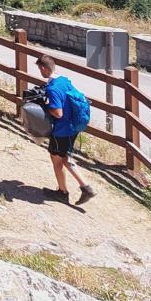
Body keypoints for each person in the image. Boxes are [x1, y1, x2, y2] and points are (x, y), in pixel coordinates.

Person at [37, 54, 97, 205]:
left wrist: (45, 106)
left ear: (43, 68)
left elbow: (58, 113)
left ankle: (64, 192)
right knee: (64, 157)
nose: (39, 71)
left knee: (56, 158)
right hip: (73, 126)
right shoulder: (64, 80)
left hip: (61, 130)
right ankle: (84, 188)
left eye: (39, 69)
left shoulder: (52, 89)